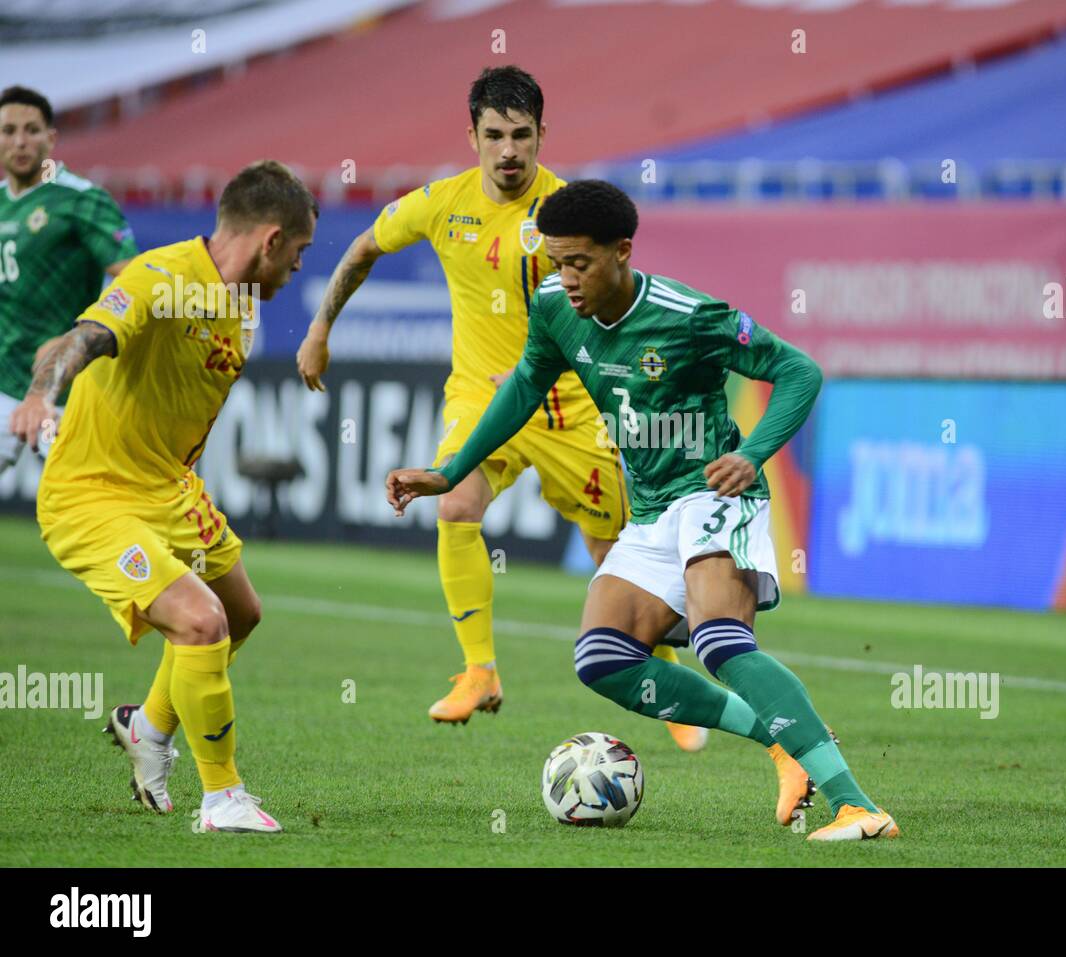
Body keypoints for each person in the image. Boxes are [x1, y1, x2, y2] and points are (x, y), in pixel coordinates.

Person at [385, 181, 898, 839]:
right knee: (603, 658)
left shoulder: (689, 316)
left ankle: (856, 804)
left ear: (622, 251)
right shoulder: (553, 307)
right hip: (653, 509)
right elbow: (523, 387)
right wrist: (449, 470)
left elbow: (799, 371)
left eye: (581, 263)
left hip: (716, 492)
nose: (566, 277)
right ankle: (784, 740)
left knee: (719, 642)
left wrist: (755, 453)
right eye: (556, 260)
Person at [296, 66, 706, 751]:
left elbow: (616, 304)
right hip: (482, 397)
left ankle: (664, 678)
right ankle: (478, 669)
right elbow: (365, 247)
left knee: (615, 550)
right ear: (473, 136)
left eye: (522, 135)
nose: (509, 150)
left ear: (543, 134)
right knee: (454, 503)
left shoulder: (571, 216)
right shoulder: (439, 203)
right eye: (494, 135)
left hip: (573, 408)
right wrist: (318, 328)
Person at [9, 160, 317, 833]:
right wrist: (41, 393)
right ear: (270, 241)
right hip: (91, 492)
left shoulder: (239, 306)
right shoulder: (159, 277)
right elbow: (81, 339)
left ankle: (145, 726)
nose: (297, 271)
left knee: (240, 613)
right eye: (297, 255)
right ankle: (222, 796)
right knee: (201, 622)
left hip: (168, 486)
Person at [0, 85, 137, 475]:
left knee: (90, 502)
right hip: (4, 382)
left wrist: (75, 339)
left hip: (63, 389)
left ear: (51, 138)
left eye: (31, 130)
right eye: (8, 131)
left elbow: (133, 278)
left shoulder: (80, 199)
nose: (20, 141)